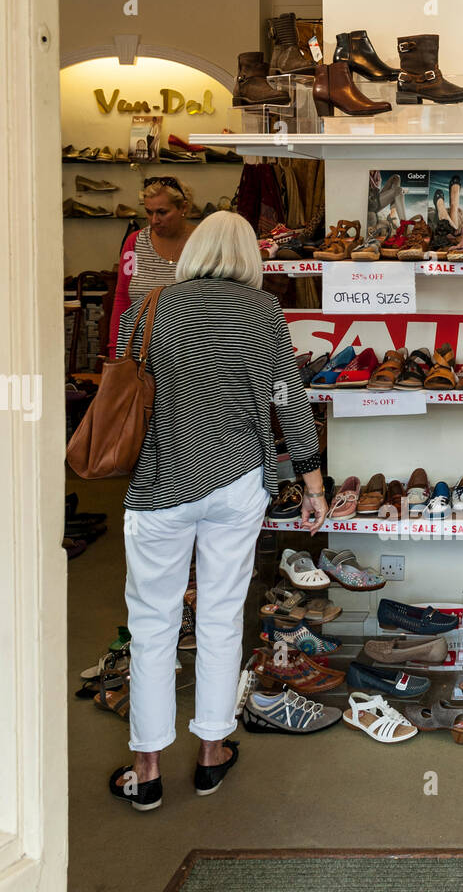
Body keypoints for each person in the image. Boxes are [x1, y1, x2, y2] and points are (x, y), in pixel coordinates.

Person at [110, 211, 328, 812]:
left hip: (159, 485)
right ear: (250, 258)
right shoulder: (264, 314)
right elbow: (289, 399)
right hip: (235, 482)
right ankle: (210, 755)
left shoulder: (150, 306)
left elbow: (132, 382)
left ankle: (146, 768)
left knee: (152, 623)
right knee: (221, 616)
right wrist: (312, 483)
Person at [108, 177, 196, 357]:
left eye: (162, 212)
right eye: (149, 212)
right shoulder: (134, 244)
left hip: (189, 352)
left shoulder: (203, 243)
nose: (154, 220)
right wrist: (115, 348)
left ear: (183, 208)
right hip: (141, 351)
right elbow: (122, 297)